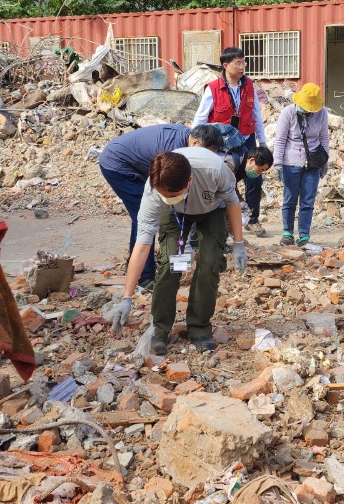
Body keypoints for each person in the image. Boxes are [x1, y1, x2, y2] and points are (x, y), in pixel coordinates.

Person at [108, 149, 249, 356]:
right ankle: (160, 328)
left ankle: (199, 327)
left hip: (211, 210)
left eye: (173, 195)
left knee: (209, 263)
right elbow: (142, 246)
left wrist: (238, 243)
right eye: (164, 195)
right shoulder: (153, 191)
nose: (168, 198)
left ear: (189, 180)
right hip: (174, 217)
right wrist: (127, 297)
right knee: (170, 265)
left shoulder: (215, 170)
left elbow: (232, 202)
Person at [99, 124, 225, 289]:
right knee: (145, 219)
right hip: (118, 165)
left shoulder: (186, 145)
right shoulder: (174, 154)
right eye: (205, 152)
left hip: (135, 161)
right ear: (195, 143)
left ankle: (138, 262)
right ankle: (144, 276)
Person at [192, 47, 269, 235]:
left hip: (246, 138)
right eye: (238, 63)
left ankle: (252, 219)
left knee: (255, 178)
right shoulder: (213, 89)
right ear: (226, 65)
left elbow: (256, 115)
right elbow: (200, 119)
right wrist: (196, 147)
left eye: (244, 62)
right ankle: (224, 223)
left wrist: (263, 142)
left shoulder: (249, 85)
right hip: (222, 143)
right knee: (225, 180)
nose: (243, 67)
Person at [272, 82, 329, 246]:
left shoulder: (321, 113)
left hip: (313, 162)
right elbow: (280, 140)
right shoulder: (288, 113)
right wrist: (277, 164)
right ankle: (287, 233)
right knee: (289, 198)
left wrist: (325, 161)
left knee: (308, 201)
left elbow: (323, 137)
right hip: (291, 162)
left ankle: (304, 236)